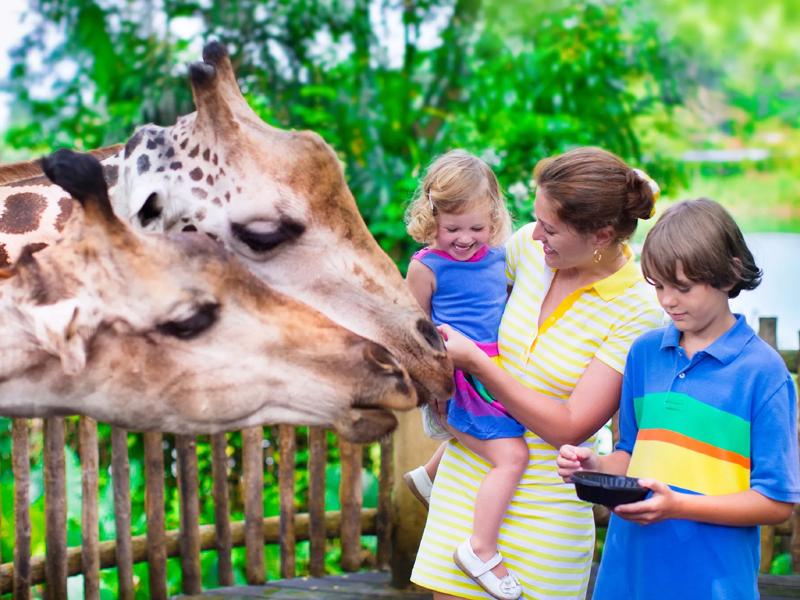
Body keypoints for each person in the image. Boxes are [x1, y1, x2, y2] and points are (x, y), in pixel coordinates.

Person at [411, 146, 664, 600]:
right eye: (536, 221)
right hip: (469, 482)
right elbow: (464, 286)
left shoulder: (636, 310)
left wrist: (477, 364)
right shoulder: (529, 249)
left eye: (550, 229)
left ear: (601, 235)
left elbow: (570, 426)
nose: (535, 236)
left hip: (547, 505)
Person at [557, 198, 800, 599]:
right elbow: (631, 455)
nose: (667, 300)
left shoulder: (763, 372)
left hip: (711, 584)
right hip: (627, 576)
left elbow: (775, 502)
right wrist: (596, 466)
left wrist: (678, 507)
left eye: (682, 287)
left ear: (728, 275)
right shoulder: (644, 354)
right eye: (659, 286)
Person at [403, 149, 528, 600]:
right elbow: (412, 332)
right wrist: (433, 387)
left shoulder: (497, 257)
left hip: (490, 371)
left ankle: (430, 476)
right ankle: (481, 549)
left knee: (504, 437)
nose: (464, 239)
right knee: (512, 457)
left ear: (493, 218)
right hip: (460, 378)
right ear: (429, 217)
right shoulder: (427, 266)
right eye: (452, 229)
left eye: (476, 228)